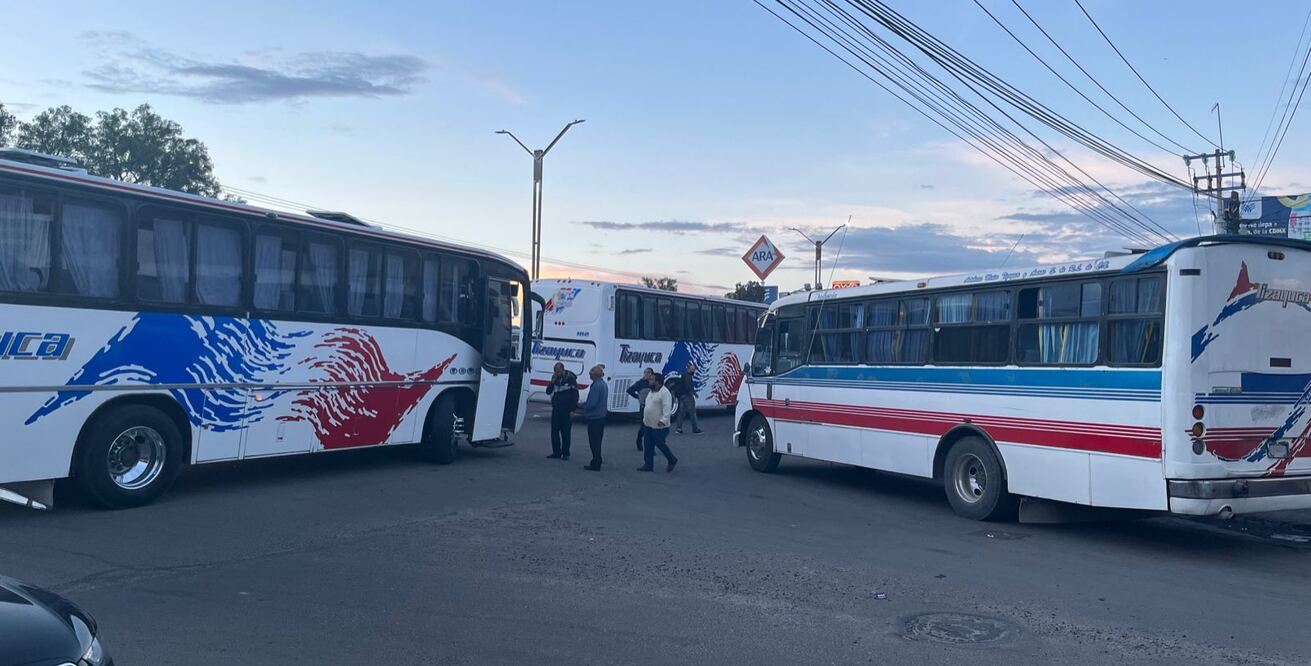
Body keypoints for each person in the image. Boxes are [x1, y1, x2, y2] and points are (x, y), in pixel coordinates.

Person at [637, 373, 678, 473]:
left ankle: (671, 459)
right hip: (648, 423)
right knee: (648, 444)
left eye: (651, 380)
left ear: (658, 382)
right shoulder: (651, 391)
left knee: (659, 443)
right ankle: (648, 465)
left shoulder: (665, 393)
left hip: (659, 425)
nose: (649, 381)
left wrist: (663, 420)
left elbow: (667, 408)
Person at [545, 362, 579, 460]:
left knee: (566, 432)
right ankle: (556, 452)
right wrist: (552, 382)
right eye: (555, 371)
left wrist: (572, 409)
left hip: (566, 409)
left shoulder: (571, 379)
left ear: (563, 370)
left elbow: (575, 395)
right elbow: (548, 392)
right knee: (554, 431)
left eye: (557, 371)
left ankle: (565, 453)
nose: (556, 373)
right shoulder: (554, 378)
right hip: (556, 408)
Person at [579, 364, 609, 471]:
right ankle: (597, 460)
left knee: (594, 442)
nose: (590, 375)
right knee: (598, 441)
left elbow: (592, 403)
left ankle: (596, 462)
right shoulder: (603, 384)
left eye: (590, 374)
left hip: (595, 417)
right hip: (601, 417)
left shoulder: (596, 386)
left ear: (594, 375)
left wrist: (583, 406)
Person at [625, 367, 655, 451]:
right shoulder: (640, 383)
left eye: (648, 372)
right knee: (644, 427)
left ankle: (650, 448)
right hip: (643, 407)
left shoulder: (653, 383)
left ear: (652, 374)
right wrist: (638, 397)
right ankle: (639, 440)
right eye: (645, 372)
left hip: (653, 407)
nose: (646, 374)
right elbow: (629, 390)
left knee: (652, 427)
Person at [673, 362, 703, 435]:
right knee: (692, 412)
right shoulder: (688, 377)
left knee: (681, 413)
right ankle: (695, 429)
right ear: (688, 369)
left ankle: (679, 429)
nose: (693, 371)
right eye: (692, 369)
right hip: (687, 396)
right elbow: (688, 387)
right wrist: (693, 394)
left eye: (694, 369)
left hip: (681, 396)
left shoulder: (684, 375)